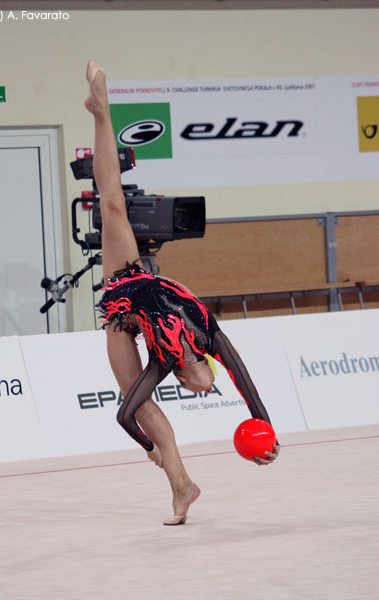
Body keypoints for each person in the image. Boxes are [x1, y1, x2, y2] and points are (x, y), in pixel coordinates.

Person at [84, 60, 280, 526]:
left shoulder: (163, 364)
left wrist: (148, 446)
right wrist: (268, 429)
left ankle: (178, 484)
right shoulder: (211, 338)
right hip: (134, 274)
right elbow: (247, 384)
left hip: (119, 311)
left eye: (194, 392)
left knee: (136, 401)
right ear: (204, 370)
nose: (199, 390)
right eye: (204, 388)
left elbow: (123, 416)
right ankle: (100, 109)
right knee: (111, 201)